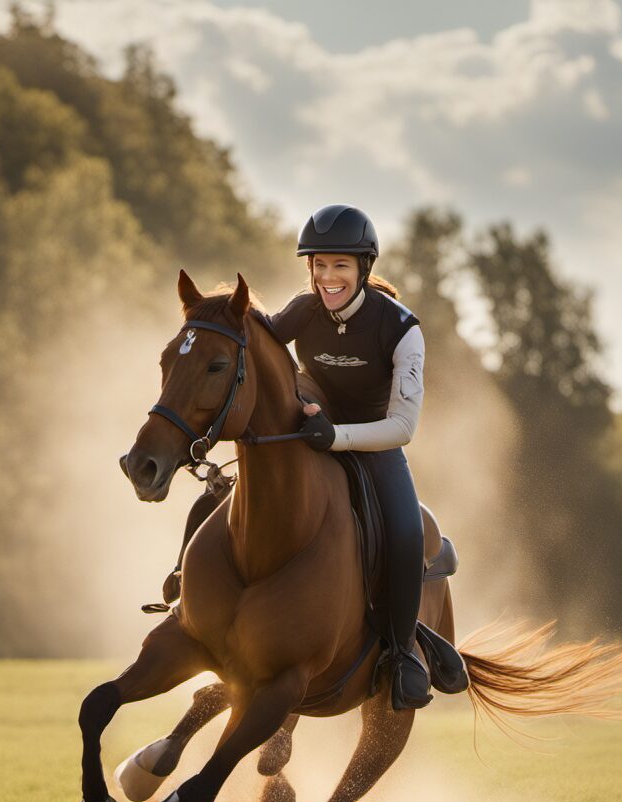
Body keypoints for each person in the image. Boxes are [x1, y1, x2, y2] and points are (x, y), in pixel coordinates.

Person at [160, 204, 434, 709]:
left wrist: (335, 438)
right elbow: (257, 335)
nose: (328, 278)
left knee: (408, 531)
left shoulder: (401, 328)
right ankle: (185, 588)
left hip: (372, 438)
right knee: (220, 492)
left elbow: (403, 427)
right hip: (310, 422)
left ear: (364, 270)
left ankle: (400, 654)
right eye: (319, 265)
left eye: (340, 267)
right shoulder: (304, 307)